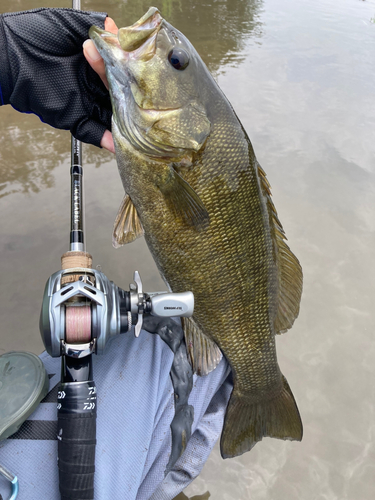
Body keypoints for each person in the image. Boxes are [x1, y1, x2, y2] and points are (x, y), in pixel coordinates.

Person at [0, 8, 233, 500]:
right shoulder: (170, 152)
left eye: (174, 61)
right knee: (202, 356)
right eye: (177, 59)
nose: (165, 50)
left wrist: (7, 57)